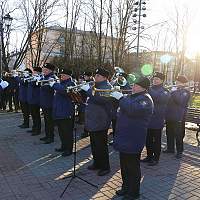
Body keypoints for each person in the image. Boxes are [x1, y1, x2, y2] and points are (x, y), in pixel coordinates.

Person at [112, 76, 154, 200]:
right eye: (133, 84)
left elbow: (132, 110)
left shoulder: (145, 99)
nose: (133, 86)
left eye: (136, 85)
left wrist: (120, 98)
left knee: (133, 167)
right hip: (124, 136)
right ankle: (126, 187)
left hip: (133, 138)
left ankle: (133, 192)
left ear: (143, 87)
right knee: (124, 166)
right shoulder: (132, 97)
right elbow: (121, 110)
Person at [81, 68, 113, 176]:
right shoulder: (96, 85)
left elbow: (101, 99)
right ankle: (97, 163)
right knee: (94, 144)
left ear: (105, 77)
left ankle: (105, 167)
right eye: (96, 75)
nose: (95, 77)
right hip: (93, 119)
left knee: (101, 146)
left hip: (101, 120)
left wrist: (88, 90)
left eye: (98, 76)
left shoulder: (107, 87)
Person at [141, 72, 170, 166]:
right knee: (148, 140)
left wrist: (147, 88)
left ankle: (156, 158)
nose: (154, 80)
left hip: (157, 119)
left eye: (157, 79)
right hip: (148, 119)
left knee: (157, 141)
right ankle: (149, 156)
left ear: (162, 80)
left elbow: (157, 98)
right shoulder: (150, 89)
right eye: (154, 79)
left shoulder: (165, 91)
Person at [50, 68, 76, 157]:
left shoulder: (71, 83)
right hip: (59, 111)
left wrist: (54, 84)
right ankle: (63, 146)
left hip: (66, 112)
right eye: (61, 75)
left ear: (68, 76)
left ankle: (69, 149)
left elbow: (65, 91)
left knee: (67, 131)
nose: (61, 76)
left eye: (63, 75)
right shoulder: (61, 83)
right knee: (61, 131)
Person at [164, 75, 191, 159]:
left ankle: (179, 151)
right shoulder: (175, 90)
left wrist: (173, 92)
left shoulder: (186, 91)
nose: (176, 83)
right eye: (176, 81)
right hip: (170, 115)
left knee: (178, 135)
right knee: (169, 132)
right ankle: (170, 148)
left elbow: (180, 101)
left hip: (179, 116)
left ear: (182, 83)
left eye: (178, 82)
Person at [39, 63, 57, 144]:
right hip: (44, 102)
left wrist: (43, 83)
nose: (44, 71)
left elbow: (50, 89)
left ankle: (51, 137)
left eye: (45, 70)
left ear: (50, 70)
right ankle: (47, 135)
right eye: (43, 70)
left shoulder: (52, 78)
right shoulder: (45, 77)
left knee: (50, 121)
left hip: (50, 103)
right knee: (46, 120)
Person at [27, 67, 42, 135]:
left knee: (36, 116)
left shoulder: (40, 78)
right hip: (31, 99)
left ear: (38, 72)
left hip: (36, 100)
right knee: (33, 115)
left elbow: (35, 85)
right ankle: (34, 128)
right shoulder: (33, 77)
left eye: (34, 71)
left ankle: (37, 130)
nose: (33, 73)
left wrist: (36, 79)